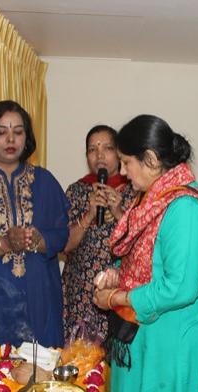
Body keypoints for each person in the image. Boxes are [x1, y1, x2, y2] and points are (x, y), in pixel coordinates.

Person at [92, 114, 198, 392]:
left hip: (169, 342)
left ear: (151, 160)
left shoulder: (185, 207)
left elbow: (180, 288)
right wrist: (117, 272)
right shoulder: (153, 199)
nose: (123, 172)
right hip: (142, 335)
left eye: (127, 162)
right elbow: (142, 256)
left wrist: (117, 297)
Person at [0, 100, 70, 349]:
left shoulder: (44, 180)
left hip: (40, 298)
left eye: (18, 132)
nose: (11, 139)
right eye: (1, 132)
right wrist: (4, 243)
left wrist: (39, 239)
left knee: (42, 377)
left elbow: (62, 234)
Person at [61, 125, 135, 343]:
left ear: (119, 153)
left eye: (107, 148)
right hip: (81, 293)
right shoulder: (76, 191)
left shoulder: (135, 191)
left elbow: (143, 244)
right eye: (92, 149)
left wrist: (118, 211)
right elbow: (64, 245)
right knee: (80, 363)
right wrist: (89, 214)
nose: (99, 155)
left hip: (119, 291)